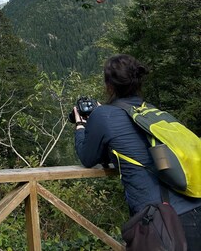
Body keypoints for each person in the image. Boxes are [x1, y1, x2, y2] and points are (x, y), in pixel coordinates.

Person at [74, 53, 201, 250]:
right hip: (194, 206)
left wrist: (81, 126)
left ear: (109, 86)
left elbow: (87, 157)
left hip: (160, 221)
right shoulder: (151, 111)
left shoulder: (103, 114)